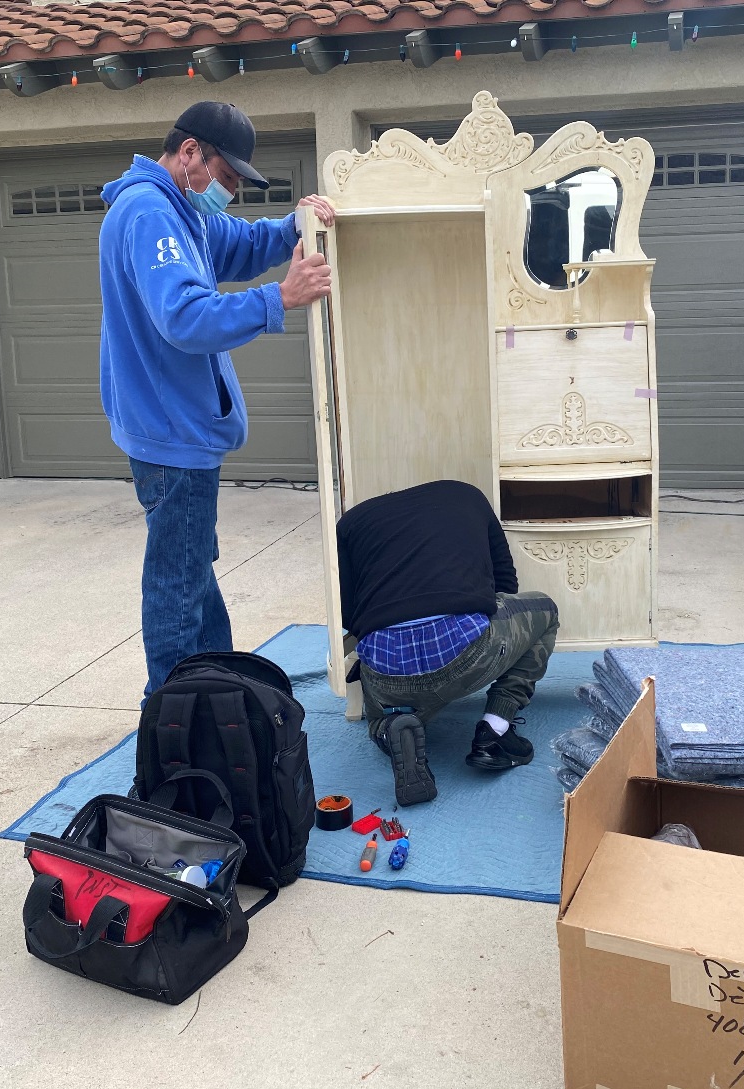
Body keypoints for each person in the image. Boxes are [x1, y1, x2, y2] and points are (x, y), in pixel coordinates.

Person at [98, 101, 335, 700]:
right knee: (178, 584)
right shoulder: (151, 214)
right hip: (171, 433)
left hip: (175, 428)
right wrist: (279, 299)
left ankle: (217, 689)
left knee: (192, 572)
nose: (229, 193)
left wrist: (293, 226)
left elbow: (243, 242)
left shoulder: (184, 211)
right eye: (226, 179)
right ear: (189, 154)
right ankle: (174, 714)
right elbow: (184, 318)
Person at [336, 479, 560, 806]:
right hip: (467, 655)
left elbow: (348, 614)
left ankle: (392, 727)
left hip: (386, 674)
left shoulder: (351, 523)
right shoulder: (467, 494)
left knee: (379, 717)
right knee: (546, 610)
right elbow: (506, 586)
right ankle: (495, 729)